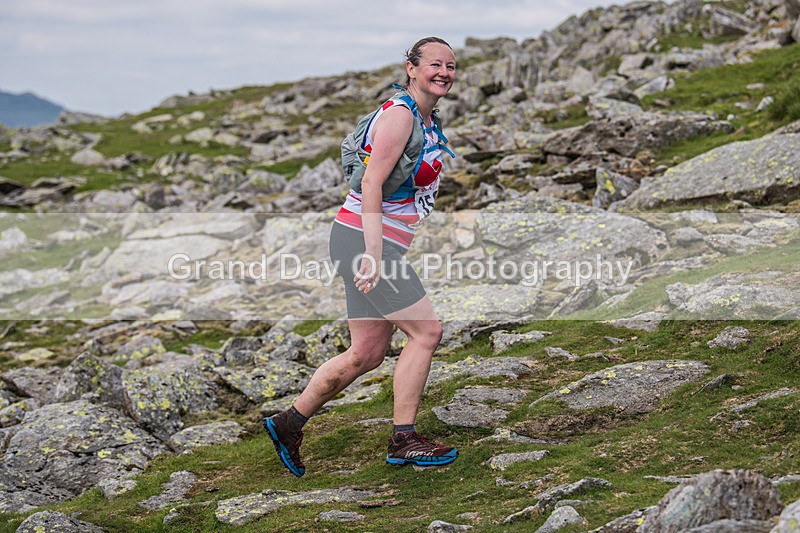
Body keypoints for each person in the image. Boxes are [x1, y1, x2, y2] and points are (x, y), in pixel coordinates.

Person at [265, 37, 458, 477]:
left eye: (450, 65)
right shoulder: (399, 116)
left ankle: (288, 423)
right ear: (411, 68)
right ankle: (404, 439)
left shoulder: (426, 118)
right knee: (427, 334)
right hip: (366, 243)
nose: (444, 72)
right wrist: (373, 252)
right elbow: (370, 185)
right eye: (434, 64)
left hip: (365, 240)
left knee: (366, 354)